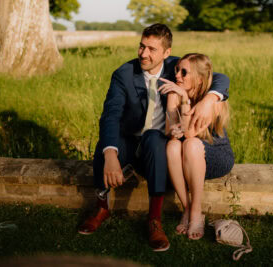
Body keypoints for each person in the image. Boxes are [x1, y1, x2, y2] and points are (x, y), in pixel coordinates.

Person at [78, 24, 230, 252]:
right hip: (133, 142)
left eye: (151, 49)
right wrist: (110, 154)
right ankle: (101, 207)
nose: (143, 54)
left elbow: (218, 77)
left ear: (166, 53)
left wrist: (210, 100)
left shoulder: (176, 68)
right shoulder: (124, 74)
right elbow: (110, 115)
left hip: (159, 144)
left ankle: (154, 220)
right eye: (141, 46)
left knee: (155, 139)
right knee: (108, 143)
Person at [159, 53, 234, 240]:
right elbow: (170, 130)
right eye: (177, 70)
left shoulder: (212, 102)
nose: (177, 75)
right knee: (172, 146)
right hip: (186, 158)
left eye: (184, 72)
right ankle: (188, 209)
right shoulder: (175, 93)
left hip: (215, 155)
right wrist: (173, 104)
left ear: (199, 79)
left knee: (191, 143)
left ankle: (196, 210)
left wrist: (184, 100)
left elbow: (190, 134)